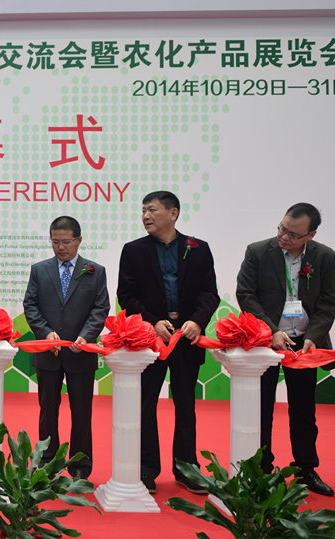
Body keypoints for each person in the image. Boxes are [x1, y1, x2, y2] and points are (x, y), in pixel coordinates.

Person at [117, 191, 219, 494]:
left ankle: (187, 468)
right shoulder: (133, 251)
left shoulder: (198, 248)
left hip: (187, 338)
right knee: (146, 405)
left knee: (186, 405)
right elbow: (126, 296)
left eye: (152, 210)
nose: (146, 216)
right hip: (151, 340)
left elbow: (209, 293)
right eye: (143, 211)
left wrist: (197, 321)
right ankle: (146, 469)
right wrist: (151, 322)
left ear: (173, 213)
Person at [236, 202, 335, 496]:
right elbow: (246, 295)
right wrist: (272, 331)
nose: (284, 237)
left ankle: (305, 469)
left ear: (311, 235)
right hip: (266, 342)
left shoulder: (324, 256)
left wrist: (314, 336)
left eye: (294, 235)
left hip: (303, 344)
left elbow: (329, 301)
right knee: (262, 409)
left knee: (304, 410)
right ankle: (262, 472)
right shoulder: (258, 251)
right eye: (282, 229)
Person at [22, 216, 109, 479]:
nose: (60, 247)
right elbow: (30, 305)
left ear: (79, 240)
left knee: (81, 412)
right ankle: (47, 461)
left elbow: (100, 308)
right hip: (48, 353)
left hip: (80, 352)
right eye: (55, 242)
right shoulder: (40, 270)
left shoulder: (95, 271)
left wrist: (86, 336)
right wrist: (45, 333)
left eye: (66, 242)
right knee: (47, 411)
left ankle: (80, 465)